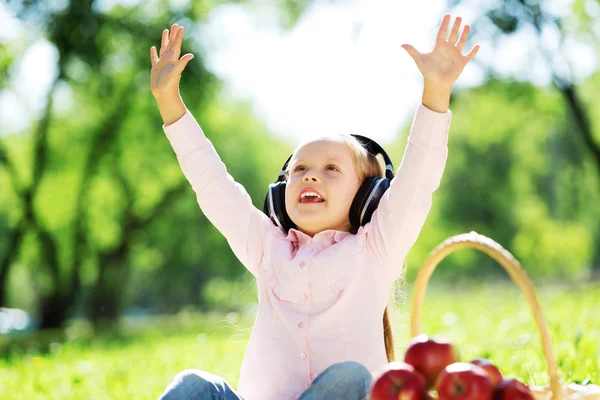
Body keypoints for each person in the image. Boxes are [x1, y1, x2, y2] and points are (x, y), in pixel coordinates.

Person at [150, 13, 479, 400]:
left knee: (351, 378)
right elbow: (211, 183)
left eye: (331, 169)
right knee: (195, 386)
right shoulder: (265, 247)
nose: (309, 176)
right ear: (279, 194)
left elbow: (419, 178)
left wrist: (436, 94)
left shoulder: (377, 248)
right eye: (300, 169)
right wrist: (169, 101)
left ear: (367, 196)